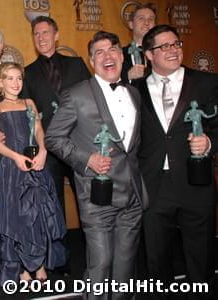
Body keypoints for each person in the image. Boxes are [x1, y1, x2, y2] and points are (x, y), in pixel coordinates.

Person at [45, 31, 148, 300]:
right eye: (99, 52)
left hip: (132, 197)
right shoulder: (75, 95)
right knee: (100, 266)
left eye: (112, 49)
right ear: (92, 61)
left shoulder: (135, 94)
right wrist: (86, 159)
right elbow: (53, 138)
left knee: (125, 270)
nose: (107, 55)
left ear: (122, 55)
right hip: (97, 195)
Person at [138, 24, 218, 299]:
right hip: (154, 184)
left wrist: (209, 143)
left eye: (176, 44)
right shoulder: (133, 90)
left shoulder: (207, 82)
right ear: (148, 54)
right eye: (164, 46)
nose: (173, 50)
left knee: (201, 256)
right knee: (157, 260)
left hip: (196, 181)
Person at [21, 15, 90, 276]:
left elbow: (91, 100)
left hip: (79, 144)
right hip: (48, 149)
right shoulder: (28, 72)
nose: (41, 38)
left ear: (56, 34)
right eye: (36, 34)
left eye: (45, 33)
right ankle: (59, 259)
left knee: (87, 203)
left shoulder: (76, 64)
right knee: (53, 206)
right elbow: (30, 115)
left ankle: (93, 254)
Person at [0, 62, 66, 285]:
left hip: (36, 166)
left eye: (19, 78)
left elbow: (39, 131)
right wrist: (15, 157)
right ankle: (21, 267)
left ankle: (39, 263)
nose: (15, 83)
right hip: (11, 169)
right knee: (16, 218)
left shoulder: (29, 103)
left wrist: (42, 151)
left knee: (38, 216)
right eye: (10, 78)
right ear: (0, 82)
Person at [121, 3, 156, 85]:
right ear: (131, 24)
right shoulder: (119, 54)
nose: (147, 23)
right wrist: (127, 76)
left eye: (151, 19)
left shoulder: (162, 53)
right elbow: (108, 84)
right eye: (141, 19)